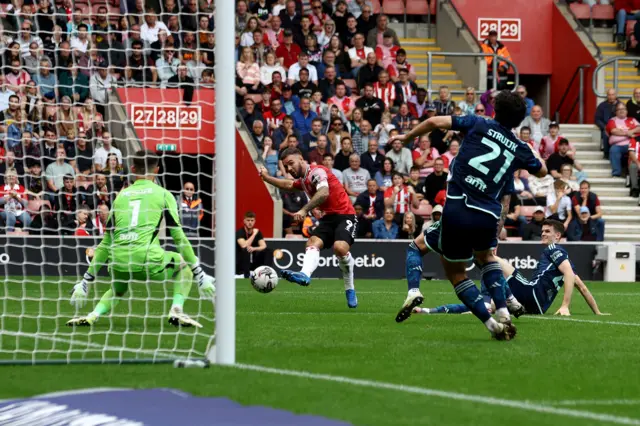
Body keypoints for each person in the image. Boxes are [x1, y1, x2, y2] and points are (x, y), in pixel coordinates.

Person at [389, 90, 546, 340]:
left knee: (455, 272)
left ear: (494, 110)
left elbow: (433, 122)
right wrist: (529, 150)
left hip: (458, 207)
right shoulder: (520, 147)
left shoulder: (479, 122)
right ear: (519, 121)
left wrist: (407, 136)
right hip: (487, 215)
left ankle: (491, 324)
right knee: (487, 258)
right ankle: (504, 310)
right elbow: (542, 170)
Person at [67, 150, 216, 327]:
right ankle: (176, 310)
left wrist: (85, 280)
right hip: (147, 261)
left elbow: (106, 242)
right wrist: (199, 273)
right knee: (183, 265)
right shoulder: (163, 194)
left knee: (118, 288)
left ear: (132, 168)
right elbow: (179, 238)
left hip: (117, 261)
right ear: (157, 170)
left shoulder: (120, 196)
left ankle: (93, 315)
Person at [415, 220, 605, 317]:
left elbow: (570, 275)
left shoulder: (554, 249)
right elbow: (582, 286)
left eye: (548, 232)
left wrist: (565, 306)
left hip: (530, 293)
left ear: (558, 237)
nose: (543, 234)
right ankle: (429, 311)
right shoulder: (564, 261)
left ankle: (466, 246)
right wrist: (597, 312)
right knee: (481, 306)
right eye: (543, 231)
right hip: (536, 308)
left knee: (494, 261)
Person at [259, 147, 359, 308]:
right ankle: (305, 275)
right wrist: (266, 178)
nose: (289, 169)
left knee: (340, 248)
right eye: (286, 166)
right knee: (312, 242)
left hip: (346, 215)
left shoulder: (316, 172)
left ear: (300, 158)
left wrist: (304, 209)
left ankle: (350, 288)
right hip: (328, 218)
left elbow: (324, 192)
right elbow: (288, 184)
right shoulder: (304, 179)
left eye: (291, 163)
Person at [605, 102, 639, 177]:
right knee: (614, 150)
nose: (621, 111)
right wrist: (628, 134)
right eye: (619, 109)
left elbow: (639, 128)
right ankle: (616, 173)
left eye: (623, 109)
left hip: (632, 144)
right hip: (618, 145)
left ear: (626, 111)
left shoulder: (632, 119)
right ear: (616, 112)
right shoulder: (613, 120)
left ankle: (635, 173)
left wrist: (631, 131)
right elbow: (614, 131)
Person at [236, 211, 271, 278]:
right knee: (246, 249)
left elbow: (264, 246)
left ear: (254, 221)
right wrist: (254, 234)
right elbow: (244, 245)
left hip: (253, 262)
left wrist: (254, 248)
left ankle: (267, 273)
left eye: (252, 220)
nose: (250, 222)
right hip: (241, 264)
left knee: (268, 251)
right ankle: (246, 275)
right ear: (244, 221)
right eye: (248, 220)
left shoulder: (258, 232)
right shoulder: (240, 232)